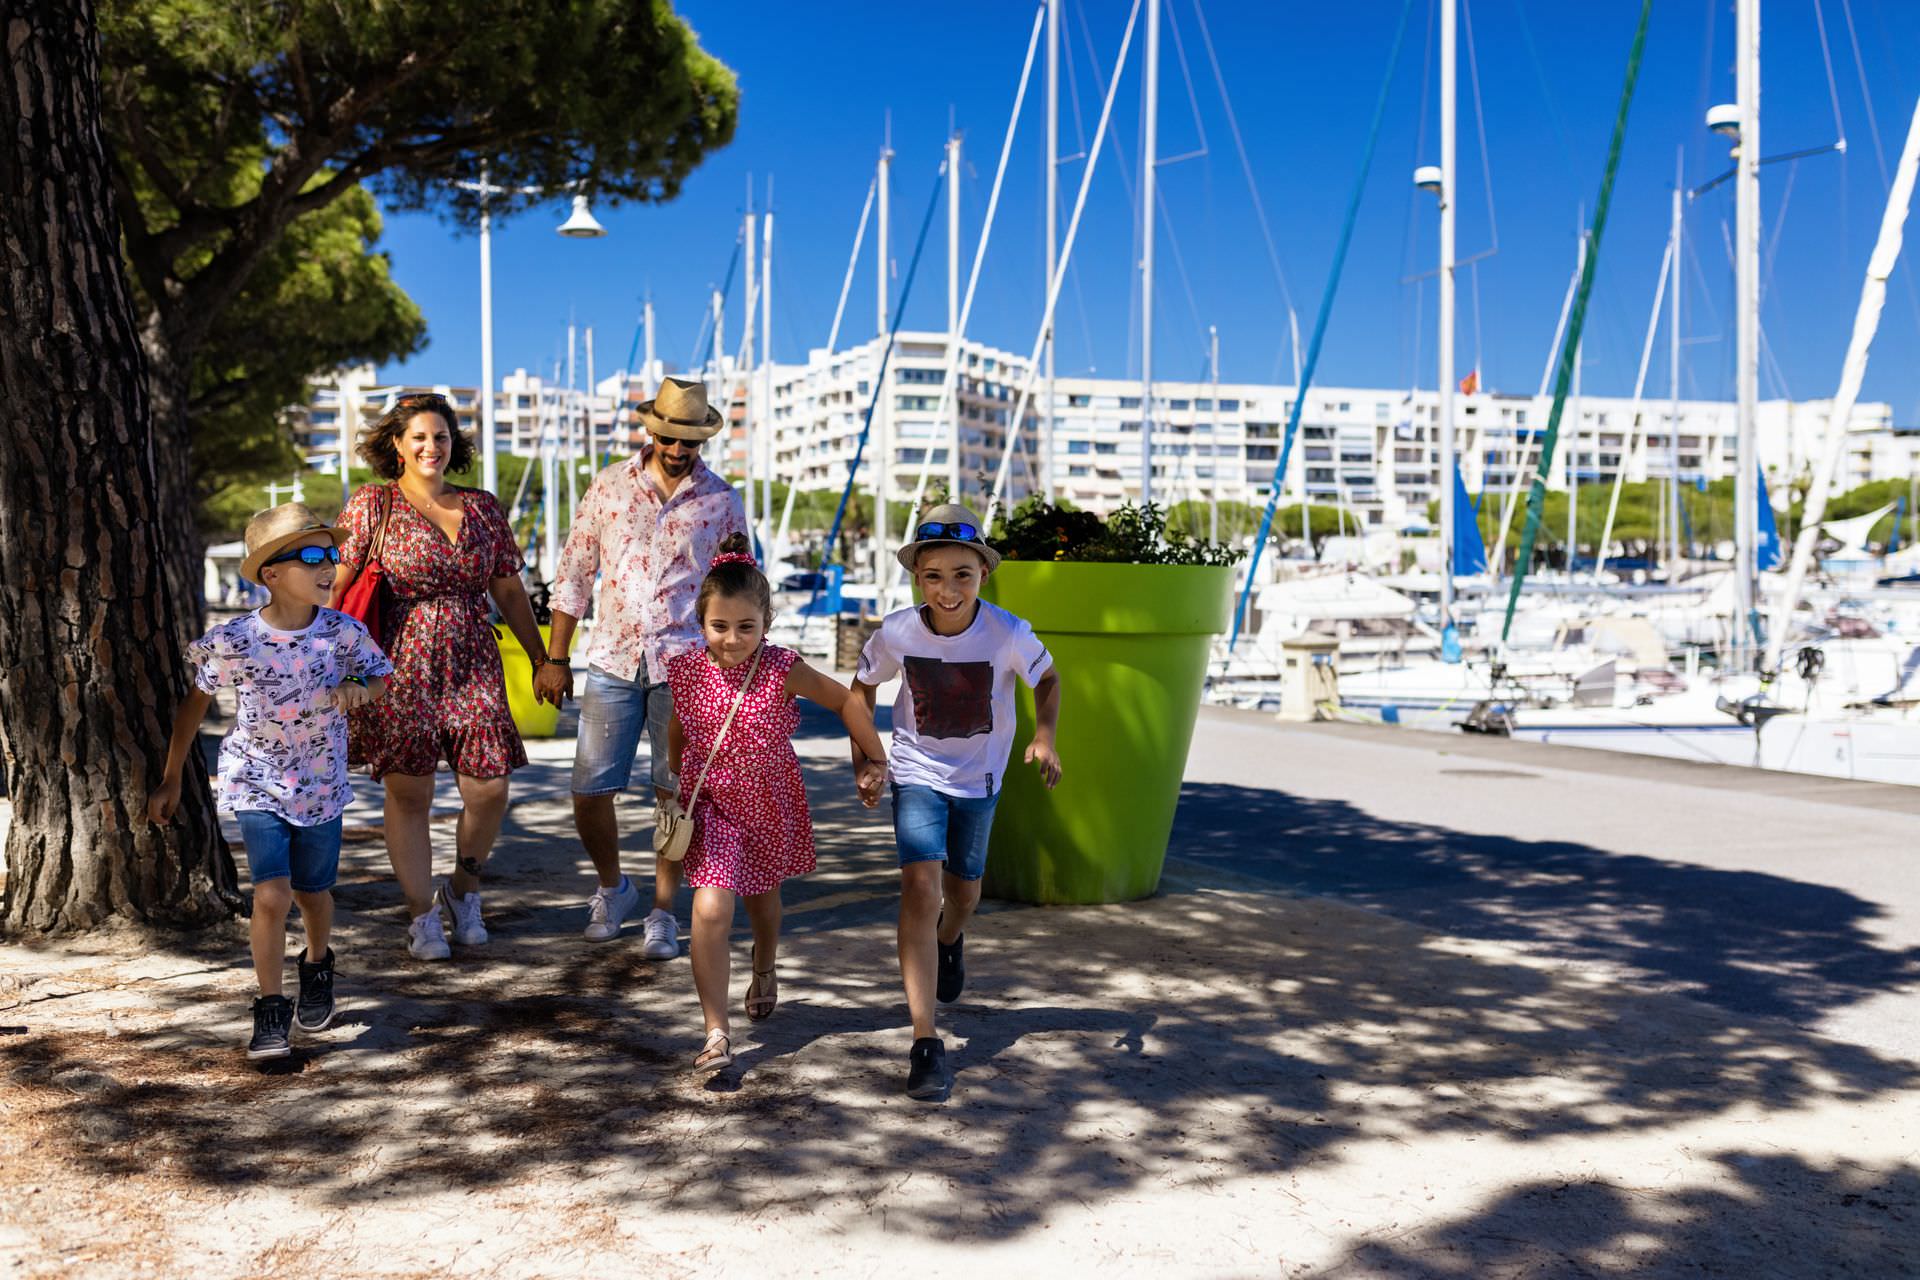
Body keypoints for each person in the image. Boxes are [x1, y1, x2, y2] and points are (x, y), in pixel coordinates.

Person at [149, 504, 392, 1060]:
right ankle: (269, 1011)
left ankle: (316, 964)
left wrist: (359, 686)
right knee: (271, 894)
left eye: (332, 553)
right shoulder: (234, 638)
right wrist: (171, 779)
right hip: (255, 779)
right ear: (271, 573)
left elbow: (378, 675)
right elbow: (193, 708)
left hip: (322, 782)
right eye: (311, 555)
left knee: (313, 894)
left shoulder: (343, 631)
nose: (329, 565)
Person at [851, 504, 1063, 1103]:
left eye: (962, 575)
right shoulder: (896, 632)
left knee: (963, 894)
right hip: (915, 772)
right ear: (918, 576)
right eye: (934, 575)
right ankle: (926, 1042)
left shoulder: (1008, 633)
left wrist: (1044, 736)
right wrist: (867, 760)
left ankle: (950, 939)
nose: (948, 590)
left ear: (983, 576)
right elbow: (861, 690)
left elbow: (1048, 679)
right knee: (921, 888)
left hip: (980, 781)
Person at [330, 392, 547, 960]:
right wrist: (310, 651)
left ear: (454, 444)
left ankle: (463, 891)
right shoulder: (372, 505)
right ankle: (422, 914)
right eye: (420, 437)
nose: (432, 447)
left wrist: (545, 656)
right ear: (397, 446)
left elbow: (507, 589)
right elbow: (336, 586)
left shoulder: (481, 507)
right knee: (410, 791)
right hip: (399, 659)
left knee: (489, 787)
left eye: (442, 437)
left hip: (473, 654)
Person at [535, 377, 747, 958]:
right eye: (667, 436)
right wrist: (556, 657)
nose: (678, 450)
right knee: (589, 789)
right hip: (611, 659)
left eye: (689, 441)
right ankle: (613, 887)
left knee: (673, 793)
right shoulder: (608, 487)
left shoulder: (722, 501)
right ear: (649, 428)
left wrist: (741, 665)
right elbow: (574, 575)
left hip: (687, 664)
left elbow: (737, 588)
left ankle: (662, 910)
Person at [668, 534, 889, 1072]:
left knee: (764, 902)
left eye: (747, 627)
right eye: (719, 626)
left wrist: (874, 757)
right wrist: (675, 778)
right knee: (711, 906)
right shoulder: (685, 671)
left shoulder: (782, 667)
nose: (732, 639)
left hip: (769, 799)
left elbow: (844, 700)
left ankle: (764, 965)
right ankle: (716, 1031)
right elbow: (678, 729)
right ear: (702, 623)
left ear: (766, 623)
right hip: (712, 804)